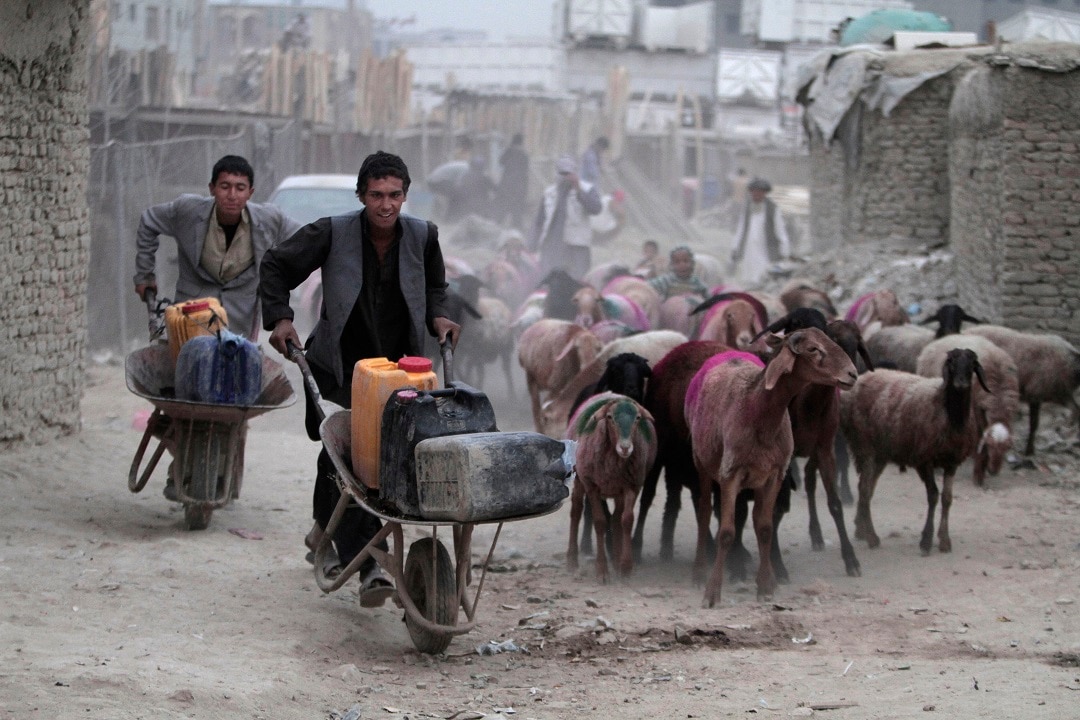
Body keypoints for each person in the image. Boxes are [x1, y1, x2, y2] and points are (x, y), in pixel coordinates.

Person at [259, 151, 461, 607]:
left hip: (399, 369)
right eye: (376, 196)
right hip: (341, 364)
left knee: (381, 458)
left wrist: (441, 317)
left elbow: (435, 287)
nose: (385, 205)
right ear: (361, 196)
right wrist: (280, 318)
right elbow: (275, 266)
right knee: (349, 455)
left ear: (405, 196)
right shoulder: (332, 232)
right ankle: (370, 562)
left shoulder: (423, 236)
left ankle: (325, 531)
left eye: (394, 195)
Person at [133, 154, 301, 341]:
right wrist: (145, 275)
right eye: (225, 186)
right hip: (190, 318)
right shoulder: (188, 211)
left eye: (240, 188)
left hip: (240, 321)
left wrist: (280, 278)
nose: (232, 195)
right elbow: (149, 221)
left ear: (250, 193)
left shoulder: (268, 220)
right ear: (212, 189)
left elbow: (304, 240)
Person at [528, 155, 603, 281]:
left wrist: (578, 189)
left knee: (577, 282)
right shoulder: (549, 193)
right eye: (562, 173)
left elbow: (596, 209)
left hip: (576, 247)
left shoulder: (586, 189)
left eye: (568, 173)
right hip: (552, 247)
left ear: (575, 173)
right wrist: (532, 245)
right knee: (548, 281)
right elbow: (539, 222)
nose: (565, 177)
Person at [730, 177, 791, 286]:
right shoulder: (747, 208)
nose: (756, 194)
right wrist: (735, 248)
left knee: (763, 276)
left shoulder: (773, 209)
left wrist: (784, 252)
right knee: (748, 278)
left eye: (759, 192)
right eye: (754, 192)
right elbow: (741, 229)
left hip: (766, 249)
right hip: (749, 250)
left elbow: (780, 231)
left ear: (764, 193)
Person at [496, 133, 530, 229]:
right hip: (519, 185)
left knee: (502, 208)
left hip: (506, 183)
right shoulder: (524, 154)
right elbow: (525, 170)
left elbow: (501, 162)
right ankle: (517, 230)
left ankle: (497, 228)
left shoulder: (509, 151)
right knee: (517, 210)